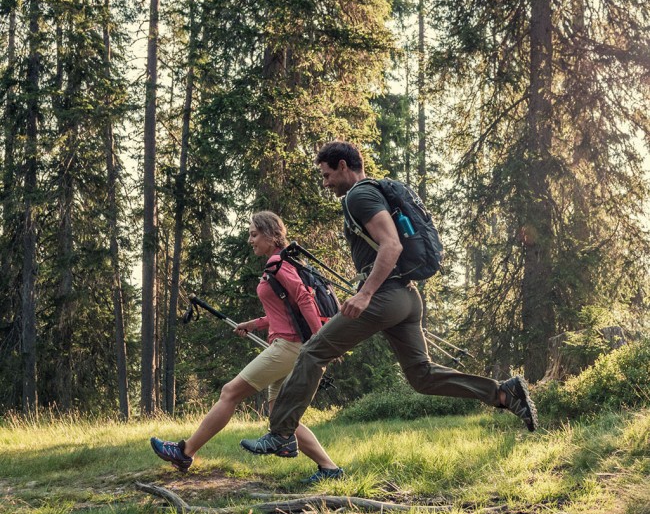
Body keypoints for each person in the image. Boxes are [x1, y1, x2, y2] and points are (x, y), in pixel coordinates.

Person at [240, 141, 537, 459]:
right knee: (421, 376)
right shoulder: (370, 193)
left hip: (385, 296)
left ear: (343, 165)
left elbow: (391, 245)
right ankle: (502, 393)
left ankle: (282, 433)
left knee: (312, 352)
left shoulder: (359, 195)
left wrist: (366, 293)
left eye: (327, 175)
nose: (325, 183)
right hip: (405, 297)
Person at [151, 210, 344, 484]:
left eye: (254, 234)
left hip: (288, 348)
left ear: (270, 235)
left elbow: (303, 299)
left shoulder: (279, 263)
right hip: (288, 344)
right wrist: (253, 324)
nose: (250, 240)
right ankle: (329, 468)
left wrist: (320, 341)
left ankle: (185, 451)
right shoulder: (282, 264)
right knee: (281, 415)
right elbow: (285, 311)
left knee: (229, 392)